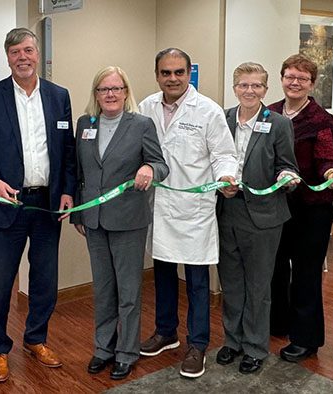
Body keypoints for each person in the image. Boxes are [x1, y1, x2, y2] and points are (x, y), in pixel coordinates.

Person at [0, 27, 76, 383]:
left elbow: (68, 149)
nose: (23, 58)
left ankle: (37, 339)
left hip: (47, 204)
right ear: (8, 57)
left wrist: (68, 190)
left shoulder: (59, 95)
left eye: (28, 50)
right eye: (15, 53)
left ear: (36, 52)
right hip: (7, 204)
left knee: (45, 277)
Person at [137, 48, 238, 379]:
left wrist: (226, 177)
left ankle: (197, 345)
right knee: (162, 275)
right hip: (159, 207)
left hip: (194, 211)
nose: (172, 79)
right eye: (166, 73)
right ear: (157, 75)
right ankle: (166, 332)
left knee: (196, 282)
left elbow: (224, 153)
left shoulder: (207, 111)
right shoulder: (146, 107)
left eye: (179, 72)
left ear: (189, 73)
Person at [70, 66, 169, 380]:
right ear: (96, 94)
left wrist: (150, 170)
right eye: (103, 89)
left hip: (128, 219)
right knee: (103, 289)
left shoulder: (141, 124)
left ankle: (127, 352)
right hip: (95, 220)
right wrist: (79, 212)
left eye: (116, 88)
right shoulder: (85, 123)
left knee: (128, 291)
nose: (110, 95)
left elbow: (160, 164)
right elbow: (79, 172)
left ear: (126, 92)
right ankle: (103, 348)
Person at [216, 62, 299, 374]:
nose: (249, 91)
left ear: (266, 89)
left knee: (259, 285)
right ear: (235, 87)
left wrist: (288, 175)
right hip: (227, 210)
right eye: (243, 85)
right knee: (231, 281)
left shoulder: (277, 123)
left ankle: (254, 347)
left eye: (256, 86)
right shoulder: (222, 118)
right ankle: (232, 341)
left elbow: (286, 164)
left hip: (264, 215)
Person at [268, 54, 333, 363]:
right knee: (275, 268)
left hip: (311, 210)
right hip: (276, 206)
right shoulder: (270, 112)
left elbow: (326, 157)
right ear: (282, 78)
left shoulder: (320, 119)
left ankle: (306, 339)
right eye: (290, 76)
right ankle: (279, 322)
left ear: (312, 83)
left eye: (302, 78)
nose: (295, 82)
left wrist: (331, 173)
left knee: (305, 273)